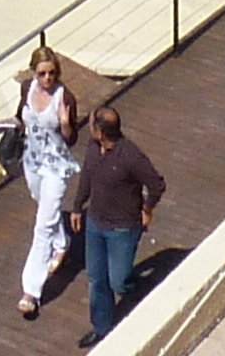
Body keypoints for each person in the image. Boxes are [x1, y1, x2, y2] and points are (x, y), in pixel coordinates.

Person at [65, 105, 165, 344]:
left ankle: (139, 290)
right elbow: (86, 177)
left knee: (118, 281)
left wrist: (147, 209)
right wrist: (77, 207)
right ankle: (101, 327)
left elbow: (157, 184)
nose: (88, 126)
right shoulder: (92, 148)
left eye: (91, 124)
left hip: (123, 228)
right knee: (96, 278)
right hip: (95, 224)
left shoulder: (131, 157)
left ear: (100, 132)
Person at [10, 47, 82, 319]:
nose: (47, 78)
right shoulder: (28, 88)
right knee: (42, 205)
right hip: (33, 161)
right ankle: (62, 243)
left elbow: (71, 138)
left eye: (52, 73)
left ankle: (31, 290)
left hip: (56, 166)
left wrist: (64, 123)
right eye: (42, 73)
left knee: (42, 226)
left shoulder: (65, 98)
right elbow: (22, 116)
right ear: (34, 73)